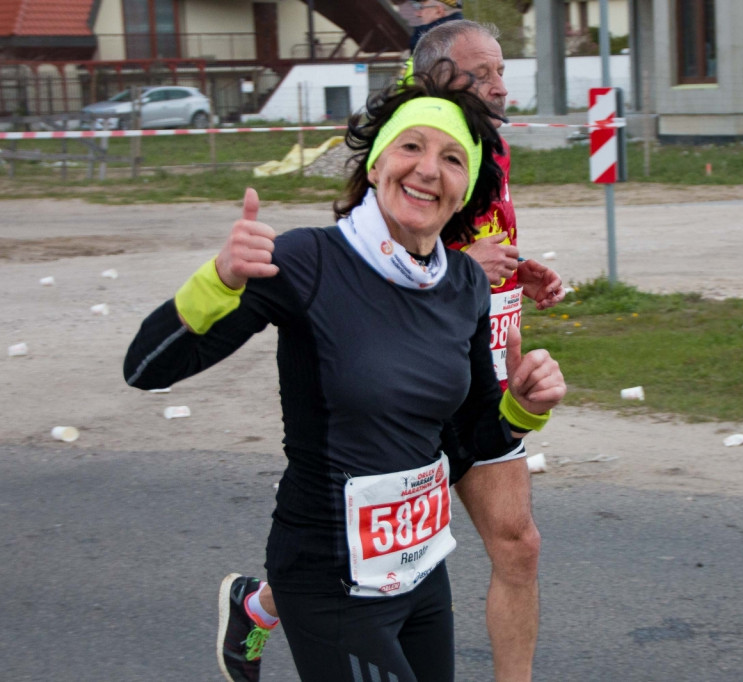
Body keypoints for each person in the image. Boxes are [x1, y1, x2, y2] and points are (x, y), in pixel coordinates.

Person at [125, 62, 565, 682]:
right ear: (377, 164)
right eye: (410, 147)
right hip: (328, 577)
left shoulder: (464, 282)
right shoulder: (308, 262)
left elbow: (463, 445)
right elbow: (146, 367)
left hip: (420, 574)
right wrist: (217, 281)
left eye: (452, 159)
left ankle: (251, 609)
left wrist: (520, 409)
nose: (428, 169)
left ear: (464, 191)